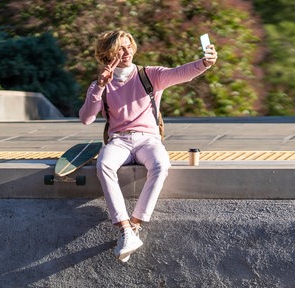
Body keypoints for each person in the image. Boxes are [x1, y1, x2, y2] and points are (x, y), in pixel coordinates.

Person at [79, 29, 217, 262]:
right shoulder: (99, 84)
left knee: (162, 165)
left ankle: (133, 226)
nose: (126, 52)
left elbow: (181, 73)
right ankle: (124, 229)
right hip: (119, 140)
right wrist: (100, 86)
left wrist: (204, 62)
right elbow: (86, 118)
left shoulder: (149, 75)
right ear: (106, 54)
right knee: (103, 165)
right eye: (119, 48)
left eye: (128, 46)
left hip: (148, 138)